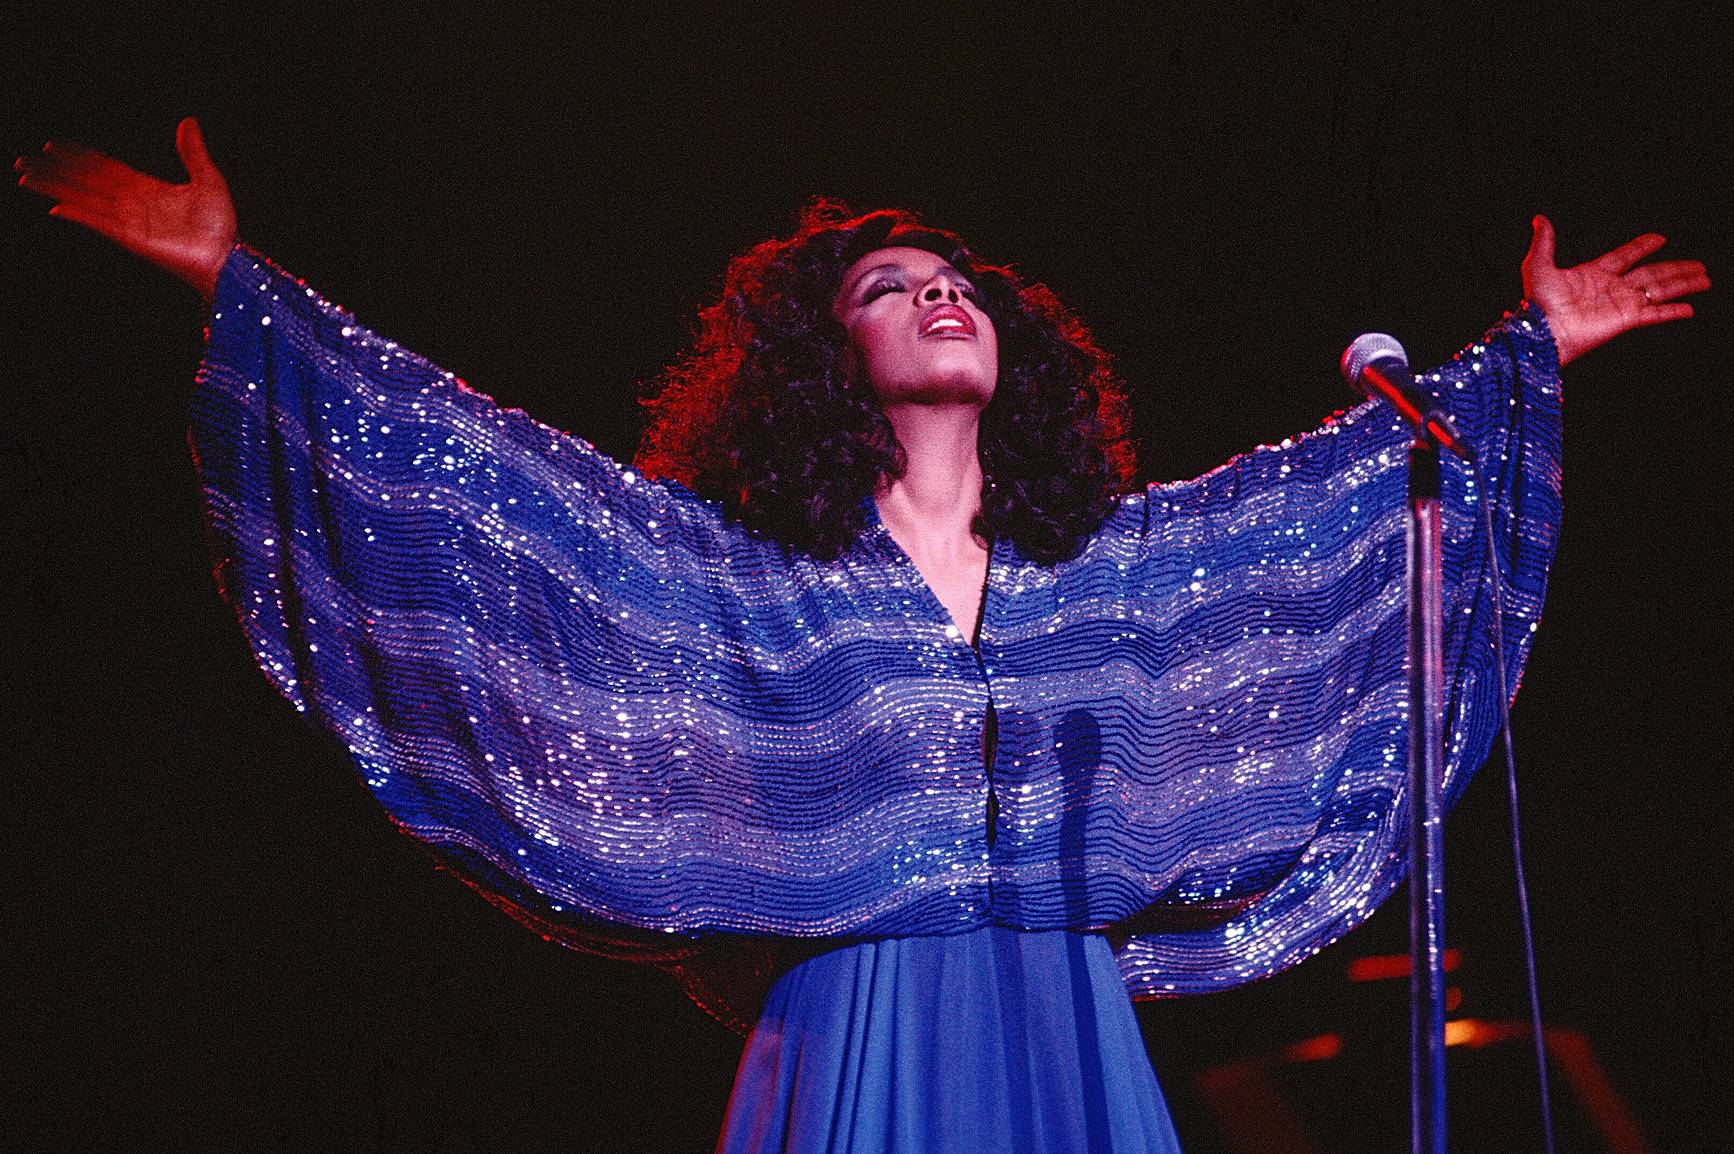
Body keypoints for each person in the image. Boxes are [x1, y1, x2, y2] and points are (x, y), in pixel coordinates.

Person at [17, 117, 1710, 1153]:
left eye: (955, 279)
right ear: (828, 366)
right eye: (887, 287)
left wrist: (1523, 356)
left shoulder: (1104, 576)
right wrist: (238, 285)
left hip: (1062, 1020)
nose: (936, 292)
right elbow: (488, 490)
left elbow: (1327, 513)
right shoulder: (748, 577)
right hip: (860, 1027)